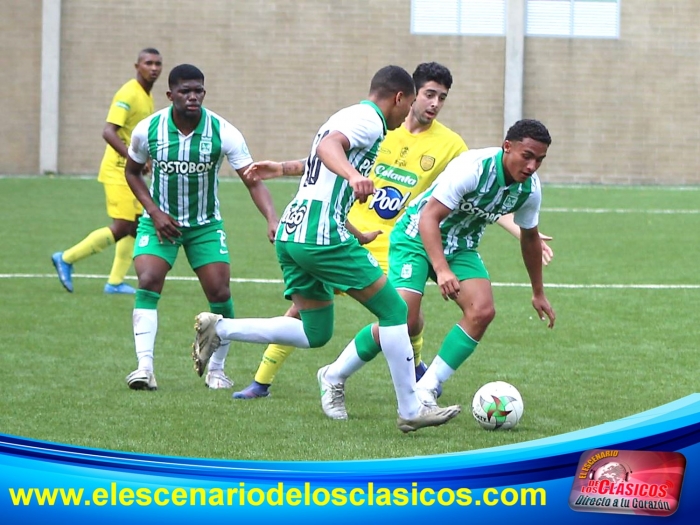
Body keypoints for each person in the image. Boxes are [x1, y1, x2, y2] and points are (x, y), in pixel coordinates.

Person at [232, 63, 554, 400]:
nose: (435, 103)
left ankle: (422, 387)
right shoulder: (381, 127)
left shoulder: (452, 146)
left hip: (406, 240)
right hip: (361, 230)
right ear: (407, 97)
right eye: (429, 94)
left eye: (442, 97)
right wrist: (285, 168)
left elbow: (479, 195)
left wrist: (519, 233)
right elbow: (334, 156)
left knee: (408, 318)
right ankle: (263, 380)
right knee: (314, 309)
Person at [192, 65, 461, 433]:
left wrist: (288, 171)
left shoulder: (348, 116)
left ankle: (221, 329)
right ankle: (411, 409)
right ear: (399, 98)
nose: (409, 112)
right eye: (411, 102)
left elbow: (323, 164)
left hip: (294, 233)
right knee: (396, 311)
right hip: (320, 238)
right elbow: (328, 148)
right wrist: (354, 177)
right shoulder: (368, 119)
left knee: (315, 332)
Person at [320, 119, 556, 411]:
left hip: (461, 246)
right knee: (402, 320)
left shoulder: (529, 189)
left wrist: (538, 292)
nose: (532, 166)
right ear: (507, 147)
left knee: (482, 311)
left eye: (540, 160)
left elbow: (530, 239)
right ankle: (333, 376)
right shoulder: (474, 168)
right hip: (416, 236)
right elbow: (428, 218)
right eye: (527, 156)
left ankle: (426, 389)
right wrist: (442, 269)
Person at [123, 64, 278, 391]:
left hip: (205, 225)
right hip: (160, 222)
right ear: (170, 95)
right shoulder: (148, 130)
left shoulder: (224, 132)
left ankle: (217, 370)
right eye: (185, 91)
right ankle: (144, 368)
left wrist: (271, 218)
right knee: (148, 279)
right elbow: (133, 172)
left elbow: (252, 180)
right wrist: (153, 211)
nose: (193, 97)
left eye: (198, 91)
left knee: (220, 293)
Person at [52, 48, 163, 295]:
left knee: (135, 226)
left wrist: (146, 159)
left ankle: (114, 282)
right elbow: (108, 131)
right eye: (148, 63)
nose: (153, 68)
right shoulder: (128, 93)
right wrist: (133, 158)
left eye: (157, 64)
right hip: (117, 171)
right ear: (137, 66)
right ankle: (67, 258)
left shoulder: (147, 96)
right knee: (123, 225)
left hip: (130, 172)